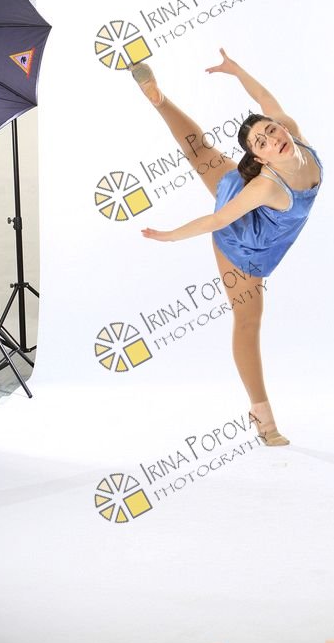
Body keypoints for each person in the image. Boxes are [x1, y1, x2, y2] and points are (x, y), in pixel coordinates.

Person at [132, 48, 323, 447]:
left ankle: (159, 99)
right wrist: (169, 235)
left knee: (200, 151)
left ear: (281, 128)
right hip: (242, 244)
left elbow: (265, 99)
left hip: (252, 206)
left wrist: (237, 70)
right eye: (261, 143)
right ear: (258, 158)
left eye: (271, 131)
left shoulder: (293, 136)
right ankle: (264, 420)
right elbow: (218, 221)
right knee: (249, 322)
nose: (273, 139)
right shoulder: (265, 185)